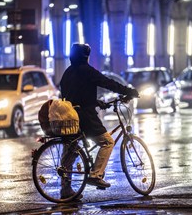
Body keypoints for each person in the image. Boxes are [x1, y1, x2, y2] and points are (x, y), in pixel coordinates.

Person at [59, 43, 139, 199]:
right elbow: (108, 83)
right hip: (85, 116)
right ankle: (96, 175)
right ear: (85, 57)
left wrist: (96, 102)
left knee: (70, 151)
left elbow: (74, 94)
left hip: (69, 116)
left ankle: (65, 190)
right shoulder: (87, 70)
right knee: (108, 142)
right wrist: (129, 91)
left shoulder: (67, 73)